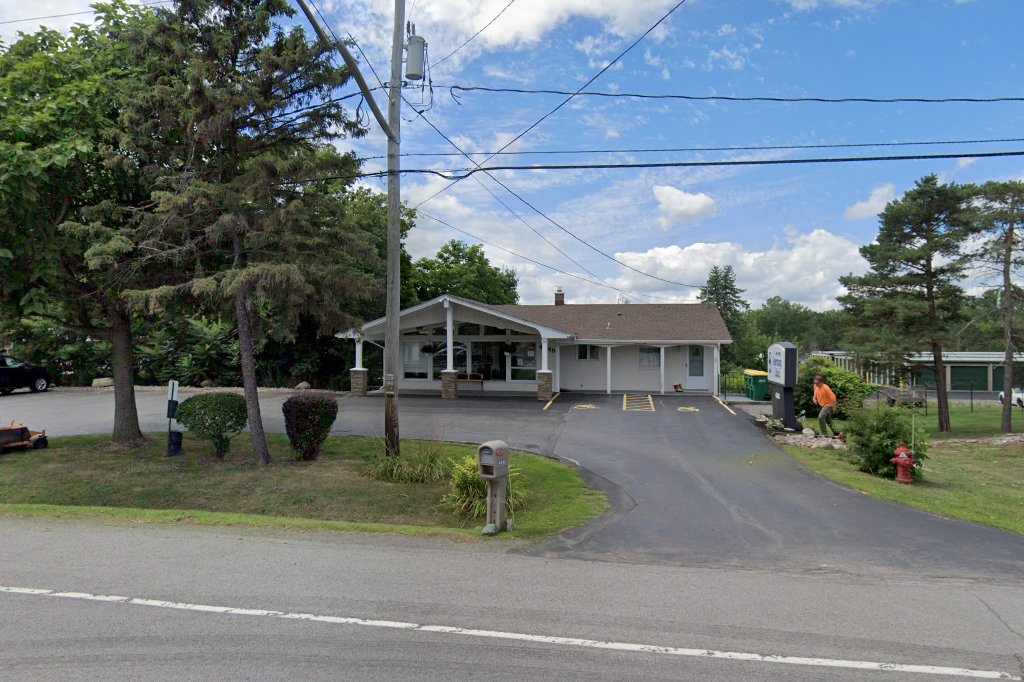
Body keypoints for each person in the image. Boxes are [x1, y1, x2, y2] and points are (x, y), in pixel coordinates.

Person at [812, 375, 841, 439]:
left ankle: (825, 434)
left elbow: (833, 398)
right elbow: (815, 391)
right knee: (828, 420)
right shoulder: (816, 385)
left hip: (828, 405)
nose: (816, 384)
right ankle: (837, 433)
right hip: (823, 405)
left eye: (817, 383)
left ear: (822, 382)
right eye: (815, 383)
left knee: (821, 417)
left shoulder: (826, 388)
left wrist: (834, 407)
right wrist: (814, 398)